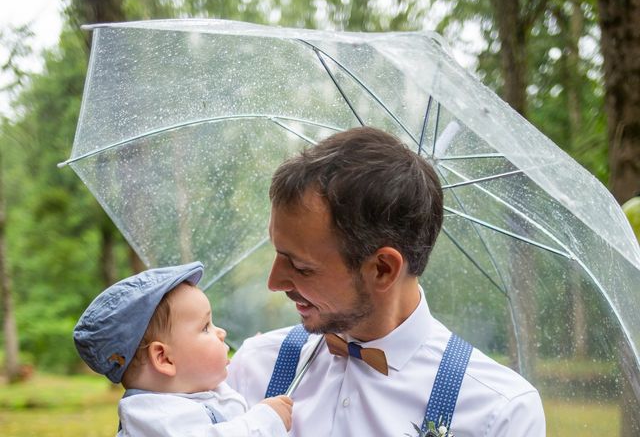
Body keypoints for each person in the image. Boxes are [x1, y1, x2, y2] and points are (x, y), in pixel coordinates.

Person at [226, 127, 545, 436]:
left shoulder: (499, 413)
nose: (274, 282)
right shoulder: (253, 367)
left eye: (301, 267)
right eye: (278, 253)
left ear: (382, 269)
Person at [73, 262, 293, 437]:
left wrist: (255, 355)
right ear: (164, 358)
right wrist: (266, 421)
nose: (221, 332)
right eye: (206, 327)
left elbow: (225, 398)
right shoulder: (152, 418)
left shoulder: (189, 394)